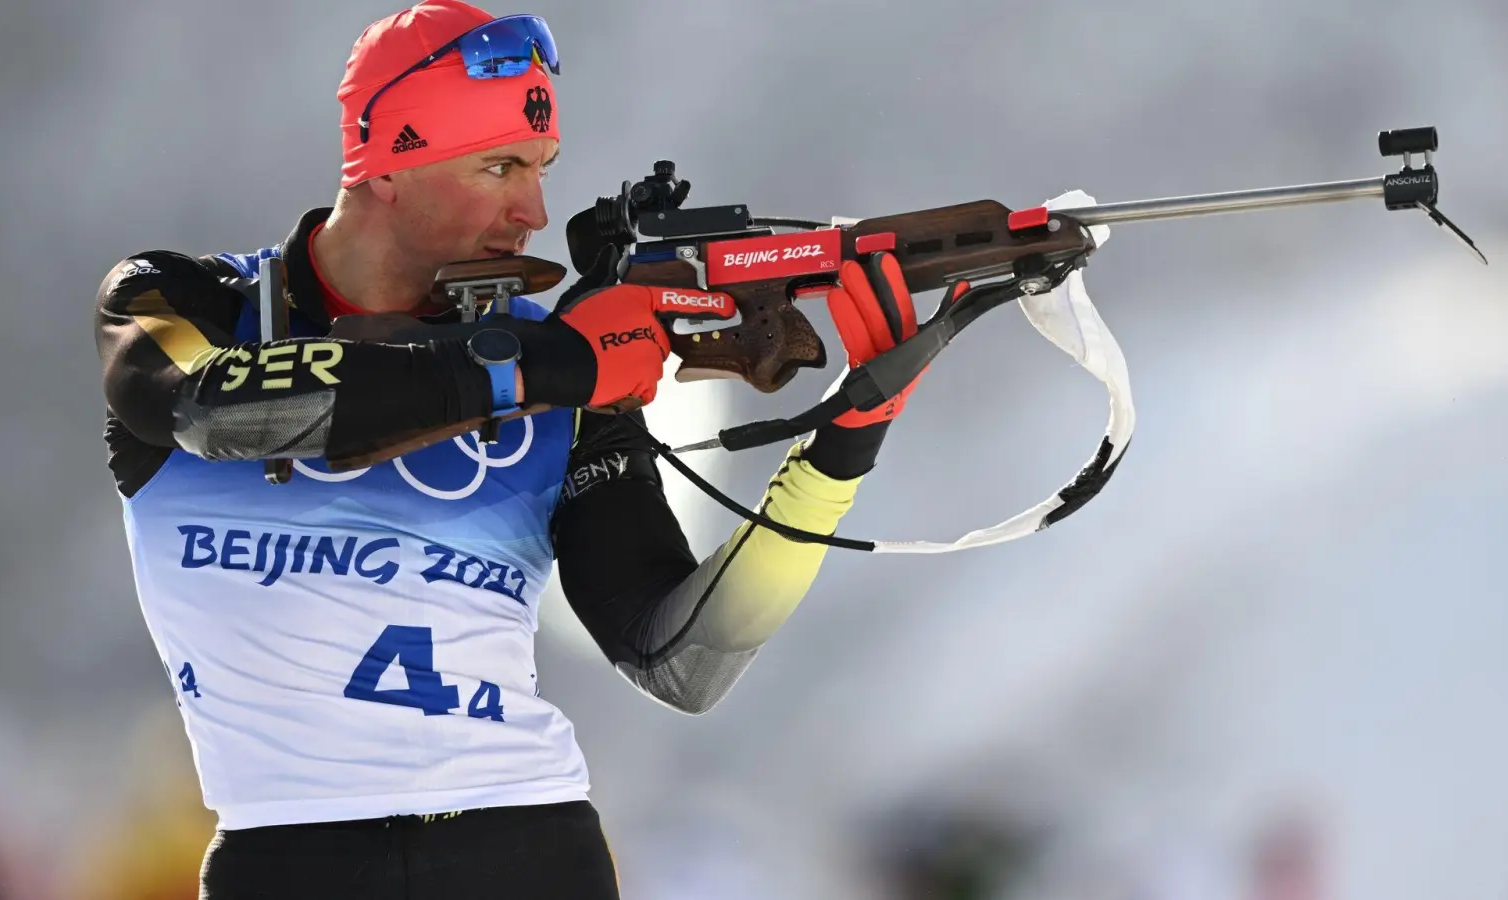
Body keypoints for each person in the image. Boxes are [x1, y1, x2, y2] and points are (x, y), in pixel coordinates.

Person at [93, 2, 947, 897]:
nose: (533, 211)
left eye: (541, 168)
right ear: (388, 164)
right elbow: (207, 407)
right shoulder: (182, 299)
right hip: (284, 855)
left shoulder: (558, 364)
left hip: (525, 848)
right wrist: (543, 365)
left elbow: (679, 659)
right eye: (498, 165)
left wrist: (842, 449)